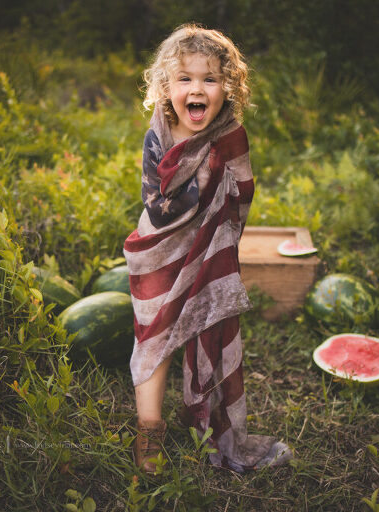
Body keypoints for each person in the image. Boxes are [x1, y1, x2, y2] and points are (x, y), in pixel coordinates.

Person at [124, 23, 293, 474]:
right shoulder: (158, 135)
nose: (197, 88)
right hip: (159, 252)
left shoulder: (231, 136)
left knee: (207, 332)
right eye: (185, 78)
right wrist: (203, 187)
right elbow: (156, 206)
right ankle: (149, 431)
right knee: (154, 339)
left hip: (209, 251)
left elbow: (243, 195)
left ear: (228, 87)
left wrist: (222, 247)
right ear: (165, 87)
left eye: (210, 79)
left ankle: (205, 416)